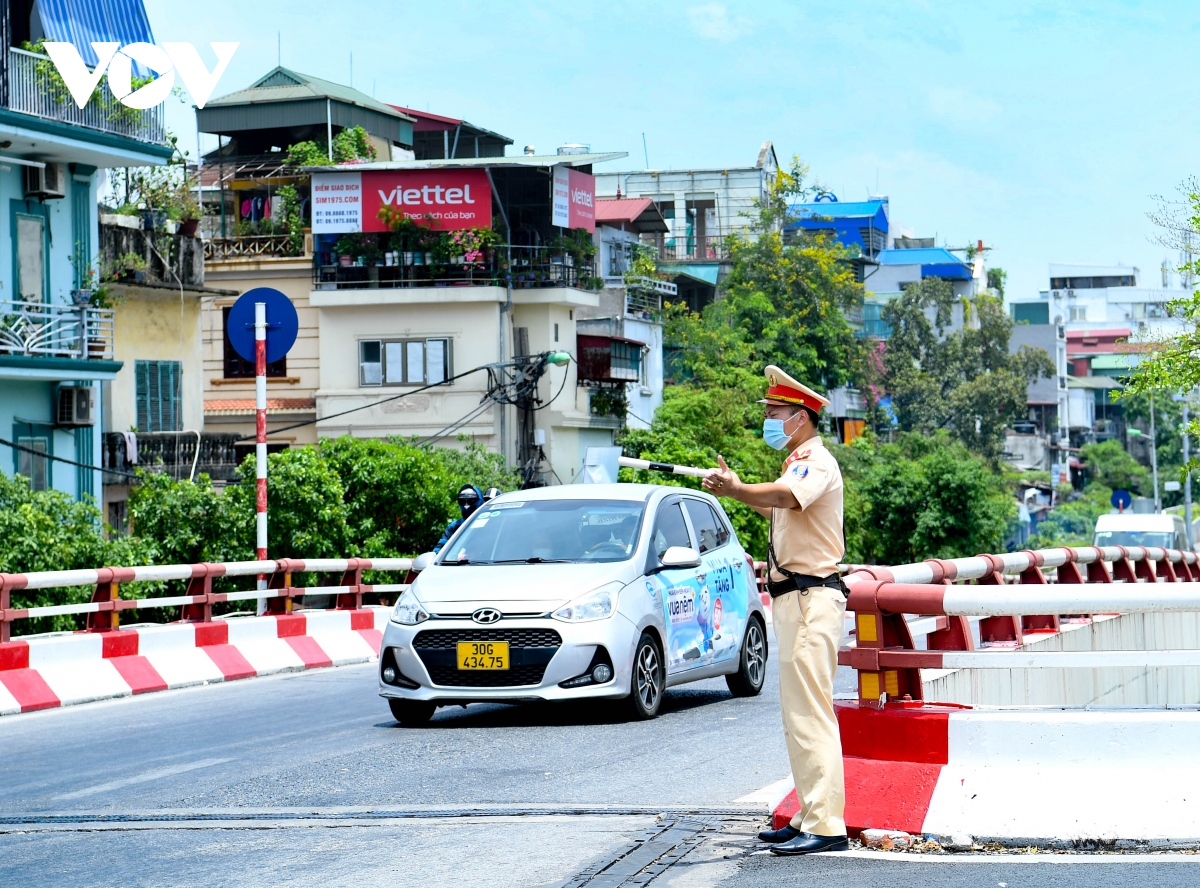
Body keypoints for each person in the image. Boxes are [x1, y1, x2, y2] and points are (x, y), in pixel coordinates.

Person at [702, 364, 849, 856]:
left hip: (812, 598)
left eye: (774, 412)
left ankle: (827, 825)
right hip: (794, 599)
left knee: (811, 713)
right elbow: (779, 506)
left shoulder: (815, 463)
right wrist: (740, 488)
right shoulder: (796, 463)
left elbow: (785, 497)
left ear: (801, 417)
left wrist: (738, 490)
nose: (767, 419)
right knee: (796, 714)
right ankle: (810, 813)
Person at [433, 485, 483, 553]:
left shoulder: (489, 524)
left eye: (470, 501)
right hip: (456, 562)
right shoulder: (453, 527)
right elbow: (439, 549)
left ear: (478, 500)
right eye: (462, 501)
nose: (466, 505)